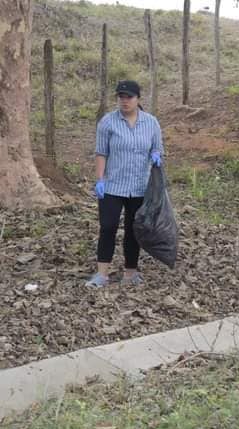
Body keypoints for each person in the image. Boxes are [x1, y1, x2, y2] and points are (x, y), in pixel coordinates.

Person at [85, 80, 164, 288]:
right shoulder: (108, 122)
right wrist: (100, 179)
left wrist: (156, 155)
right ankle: (102, 274)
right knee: (108, 226)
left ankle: (130, 273)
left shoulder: (151, 122)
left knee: (133, 229)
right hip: (112, 185)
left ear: (138, 98)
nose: (124, 101)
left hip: (139, 186)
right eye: (121, 97)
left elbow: (157, 147)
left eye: (129, 97)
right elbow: (101, 152)